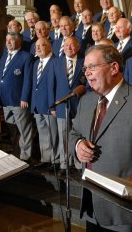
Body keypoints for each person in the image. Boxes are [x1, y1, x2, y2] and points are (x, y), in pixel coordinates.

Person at [70, 45, 132, 231]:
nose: (87, 73)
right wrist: (77, 145)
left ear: (114, 68)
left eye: (92, 67)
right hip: (92, 203)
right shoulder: (87, 100)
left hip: (122, 208)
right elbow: (74, 133)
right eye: (85, 69)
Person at [49, 36, 86, 174]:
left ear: (77, 47)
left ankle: (77, 163)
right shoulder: (56, 63)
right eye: (66, 45)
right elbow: (51, 85)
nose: (68, 48)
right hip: (61, 106)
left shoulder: (84, 62)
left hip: (79, 107)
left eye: (72, 45)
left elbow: (87, 85)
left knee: (78, 135)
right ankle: (64, 164)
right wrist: (53, 106)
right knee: (63, 135)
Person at [0, 32, 34, 162]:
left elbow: (28, 80)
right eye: (7, 40)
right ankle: (17, 152)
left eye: (11, 40)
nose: (8, 42)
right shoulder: (5, 55)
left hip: (19, 101)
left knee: (24, 130)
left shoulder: (26, 56)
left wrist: (24, 98)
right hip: (5, 100)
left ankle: (25, 157)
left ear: (19, 42)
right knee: (13, 129)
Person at [31, 38, 58, 168]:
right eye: (36, 46)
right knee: (42, 133)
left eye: (42, 45)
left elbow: (57, 86)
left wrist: (53, 105)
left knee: (53, 134)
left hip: (49, 105)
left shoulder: (56, 61)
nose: (38, 48)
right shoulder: (36, 63)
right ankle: (45, 158)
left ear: (49, 47)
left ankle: (55, 160)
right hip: (37, 105)